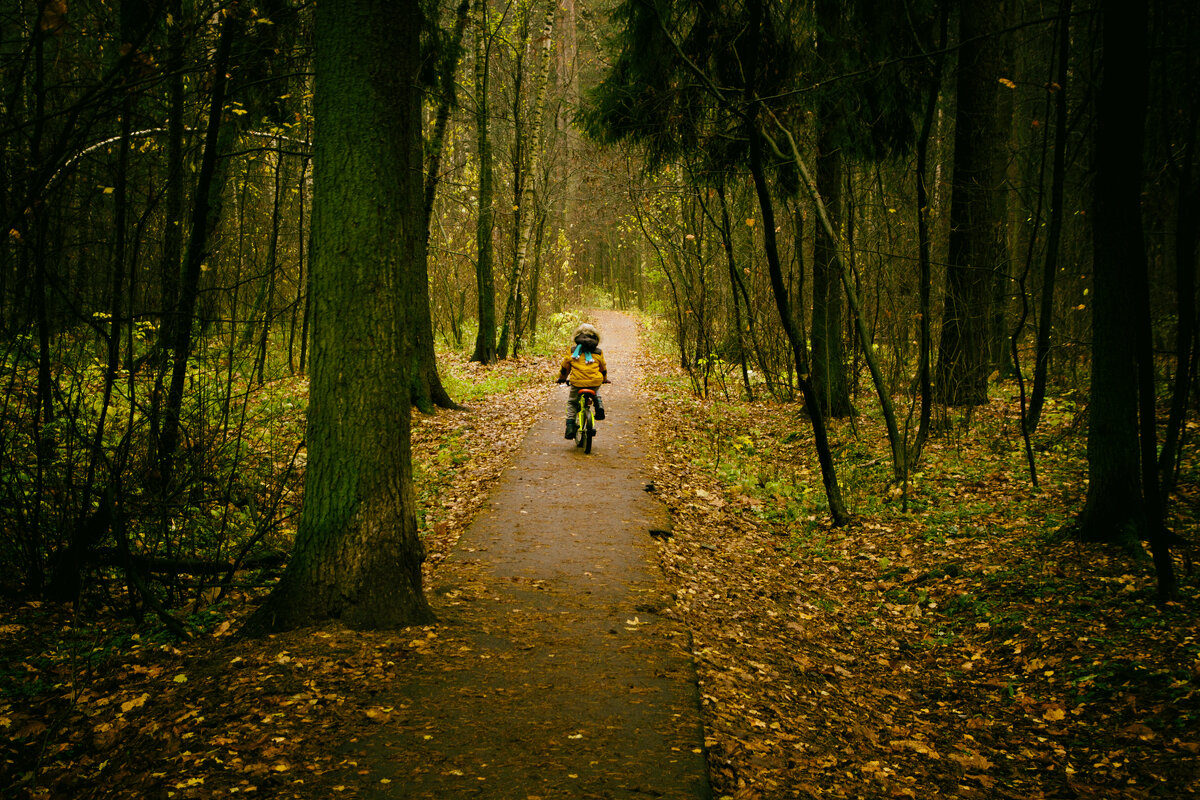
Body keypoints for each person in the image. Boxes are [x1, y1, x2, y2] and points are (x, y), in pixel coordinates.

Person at [555, 322, 608, 439]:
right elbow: (603, 367)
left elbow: (565, 367)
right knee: (596, 387)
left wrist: (562, 379)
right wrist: (604, 379)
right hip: (594, 381)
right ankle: (599, 405)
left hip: (577, 382)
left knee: (572, 403)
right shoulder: (598, 351)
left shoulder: (573, 350)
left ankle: (569, 427)